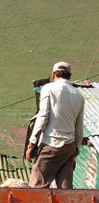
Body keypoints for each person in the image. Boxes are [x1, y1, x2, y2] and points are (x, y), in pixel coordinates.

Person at [26, 61, 85, 189]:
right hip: (69, 148)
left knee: (36, 186)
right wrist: (74, 154)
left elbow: (43, 117)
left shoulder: (48, 88)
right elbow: (79, 131)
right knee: (65, 190)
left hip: (52, 145)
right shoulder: (79, 96)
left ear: (53, 75)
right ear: (69, 75)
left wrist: (31, 144)